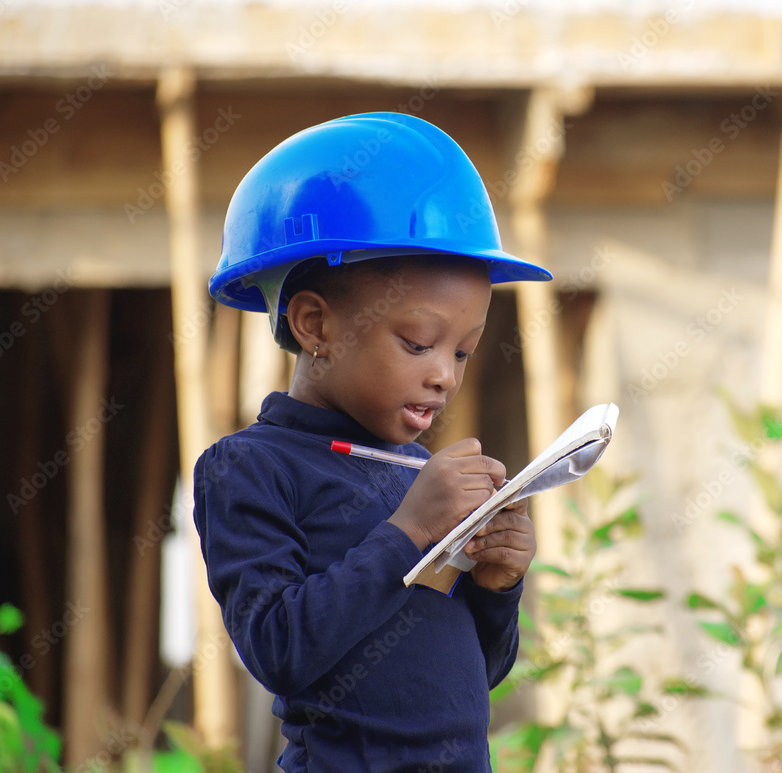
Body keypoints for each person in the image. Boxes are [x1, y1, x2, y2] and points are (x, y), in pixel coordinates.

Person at [194, 112, 552, 771]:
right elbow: (279, 649)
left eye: (464, 351)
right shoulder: (249, 467)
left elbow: (479, 671)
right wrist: (409, 530)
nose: (444, 373)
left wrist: (498, 586)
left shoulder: (415, 471)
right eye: (418, 342)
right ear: (313, 324)